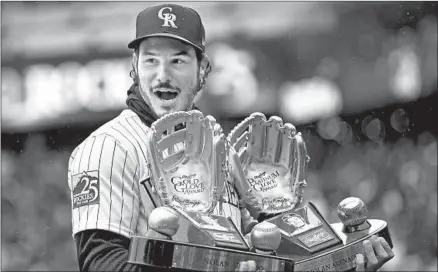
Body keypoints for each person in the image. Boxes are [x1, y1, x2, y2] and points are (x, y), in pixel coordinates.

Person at [67, 3, 394, 272]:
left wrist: (339, 261)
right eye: (151, 59)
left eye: (178, 59)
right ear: (134, 67)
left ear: (203, 70)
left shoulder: (223, 151)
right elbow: (102, 264)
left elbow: (271, 259)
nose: (163, 74)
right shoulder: (108, 147)